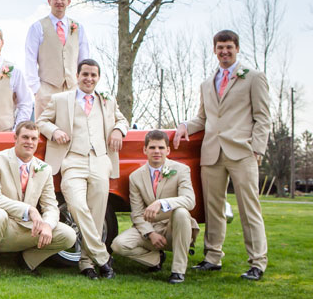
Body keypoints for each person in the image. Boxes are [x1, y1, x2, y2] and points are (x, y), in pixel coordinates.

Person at [173, 29, 270, 280]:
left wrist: (257, 148)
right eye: (220, 48)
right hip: (212, 153)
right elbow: (203, 118)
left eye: (229, 47)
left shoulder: (254, 77)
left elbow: (262, 117)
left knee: (250, 208)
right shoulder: (208, 83)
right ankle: (212, 257)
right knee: (213, 208)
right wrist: (185, 126)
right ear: (214, 50)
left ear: (237, 48)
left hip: (242, 152)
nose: (224, 52)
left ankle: (257, 262)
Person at [37, 59, 129, 279]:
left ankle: (87, 264)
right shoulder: (60, 99)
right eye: (85, 74)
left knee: (97, 214)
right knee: (78, 207)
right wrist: (55, 131)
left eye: (93, 75)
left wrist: (118, 129)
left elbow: (123, 120)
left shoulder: (107, 100)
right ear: (77, 76)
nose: (89, 79)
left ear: (98, 78)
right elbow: (41, 121)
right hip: (72, 160)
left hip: (99, 160)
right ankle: (103, 258)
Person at [0, 121, 77, 280]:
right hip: (0, 224)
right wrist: (29, 210)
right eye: (25, 137)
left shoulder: (44, 169)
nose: (30, 142)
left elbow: (51, 205)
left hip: (27, 227)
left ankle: (27, 261)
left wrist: (48, 225)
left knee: (68, 235)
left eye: (34, 139)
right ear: (15, 138)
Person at [111, 130, 199, 284]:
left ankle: (178, 271)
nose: (157, 151)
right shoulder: (136, 177)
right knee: (119, 245)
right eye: (152, 148)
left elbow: (189, 200)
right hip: (150, 227)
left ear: (168, 150)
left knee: (182, 212)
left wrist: (162, 203)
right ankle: (155, 259)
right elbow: (137, 213)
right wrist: (150, 233)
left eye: (161, 147)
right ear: (145, 150)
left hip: (175, 226)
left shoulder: (181, 170)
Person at [24, 0, 90, 118]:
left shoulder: (78, 28)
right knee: (45, 131)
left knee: (72, 130)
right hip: (46, 88)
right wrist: (37, 90)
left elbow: (84, 59)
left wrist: (81, 86)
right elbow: (30, 58)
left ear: (68, 2)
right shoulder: (37, 27)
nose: (59, 2)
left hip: (72, 88)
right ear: (49, 2)